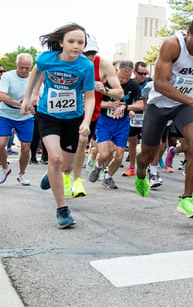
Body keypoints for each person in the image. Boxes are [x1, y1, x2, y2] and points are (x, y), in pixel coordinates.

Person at [135, 17, 193, 218]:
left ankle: (187, 199)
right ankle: (140, 173)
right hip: (159, 104)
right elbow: (160, 84)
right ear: (188, 33)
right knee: (148, 154)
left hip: (184, 105)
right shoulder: (172, 45)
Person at [21, 23, 95, 228]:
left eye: (81, 42)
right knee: (54, 158)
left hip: (73, 118)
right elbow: (36, 70)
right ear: (61, 42)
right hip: (48, 115)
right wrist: (29, 97)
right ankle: (62, 210)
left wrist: (87, 122)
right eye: (71, 41)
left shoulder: (85, 66)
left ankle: (51, 174)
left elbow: (89, 97)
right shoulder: (47, 58)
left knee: (66, 166)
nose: (76, 46)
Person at [69, 37, 124, 198]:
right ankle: (60, 171)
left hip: (91, 113)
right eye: (87, 53)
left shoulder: (103, 64)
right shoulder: (68, 61)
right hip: (67, 110)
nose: (90, 57)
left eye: (93, 53)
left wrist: (104, 90)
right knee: (66, 147)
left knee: (81, 143)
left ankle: (76, 180)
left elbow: (119, 93)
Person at [88, 60, 143, 189]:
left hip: (122, 123)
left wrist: (126, 107)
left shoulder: (133, 84)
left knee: (119, 155)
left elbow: (141, 104)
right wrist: (109, 104)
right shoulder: (106, 82)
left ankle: (108, 177)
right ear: (116, 71)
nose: (124, 80)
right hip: (105, 121)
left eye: (127, 77)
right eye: (122, 77)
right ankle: (97, 166)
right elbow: (93, 102)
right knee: (106, 153)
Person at [0, 54, 35, 186]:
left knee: (26, 149)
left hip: (26, 117)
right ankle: (4, 168)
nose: (25, 71)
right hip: (5, 114)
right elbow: (2, 95)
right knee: (0, 144)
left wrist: (32, 104)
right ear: (16, 64)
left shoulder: (34, 77)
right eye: (22, 67)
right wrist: (20, 104)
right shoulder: (7, 76)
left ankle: (22, 173)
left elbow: (39, 96)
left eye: (27, 68)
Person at [123, 61, 151, 176]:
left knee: (148, 142)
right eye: (141, 73)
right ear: (135, 72)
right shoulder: (131, 83)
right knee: (132, 142)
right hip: (133, 114)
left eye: (145, 74)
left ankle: (147, 166)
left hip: (147, 115)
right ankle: (132, 167)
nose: (143, 76)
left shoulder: (150, 82)